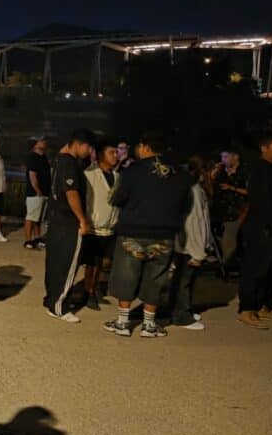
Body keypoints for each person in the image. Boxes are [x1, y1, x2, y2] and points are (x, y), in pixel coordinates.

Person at [105, 132, 193, 338]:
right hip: (164, 235)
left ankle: (122, 322)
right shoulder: (180, 174)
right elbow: (186, 205)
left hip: (132, 233)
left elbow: (116, 198)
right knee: (156, 278)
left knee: (126, 276)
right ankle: (149, 325)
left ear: (145, 147)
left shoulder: (132, 171)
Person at [42, 130, 94, 322]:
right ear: (79, 144)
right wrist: (82, 220)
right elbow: (71, 192)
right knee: (68, 264)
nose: (89, 152)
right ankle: (60, 306)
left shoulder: (58, 159)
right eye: (88, 148)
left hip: (56, 219)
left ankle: (51, 300)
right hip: (69, 221)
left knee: (54, 263)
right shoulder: (70, 163)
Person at [236, 132, 272, 329]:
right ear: (264, 148)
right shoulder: (259, 169)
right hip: (261, 227)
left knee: (269, 269)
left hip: (271, 227)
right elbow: (259, 201)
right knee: (254, 268)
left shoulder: (271, 169)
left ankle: (263, 305)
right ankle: (247, 309)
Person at [169, 156, 212, 331]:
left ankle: (180, 309)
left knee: (182, 281)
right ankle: (181, 315)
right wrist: (198, 251)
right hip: (189, 245)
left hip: (186, 244)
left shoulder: (193, 189)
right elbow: (195, 223)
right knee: (183, 283)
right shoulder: (193, 191)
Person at [81, 139, 120, 310]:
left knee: (104, 263)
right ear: (100, 155)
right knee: (92, 263)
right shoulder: (90, 175)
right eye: (111, 152)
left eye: (116, 152)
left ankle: (94, 288)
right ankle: (88, 292)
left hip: (110, 227)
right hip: (94, 227)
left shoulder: (117, 176)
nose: (116, 156)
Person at [211, 148, 249, 270]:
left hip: (237, 211)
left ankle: (226, 265)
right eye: (222, 157)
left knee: (229, 239)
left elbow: (251, 191)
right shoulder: (221, 172)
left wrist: (231, 188)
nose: (223, 160)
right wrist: (213, 173)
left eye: (226, 157)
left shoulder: (244, 172)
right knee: (222, 238)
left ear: (235, 157)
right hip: (221, 211)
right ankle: (226, 264)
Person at [24, 137, 51, 250]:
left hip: (45, 191)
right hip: (35, 193)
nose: (44, 142)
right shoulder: (32, 157)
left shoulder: (43, 157)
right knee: (31, 216)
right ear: (35, 144)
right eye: (41, 141)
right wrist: (37, 190)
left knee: (38, 217)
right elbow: (32, 174)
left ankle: (37, 237)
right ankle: (28, 240)